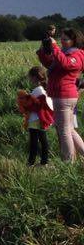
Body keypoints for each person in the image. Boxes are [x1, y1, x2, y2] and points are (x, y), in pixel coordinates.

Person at [37, 26, 84, 162]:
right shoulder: (64, 53)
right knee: (68, 129)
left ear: (74, 40)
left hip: (64, 96)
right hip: (62, 96)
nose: (62, 41)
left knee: (63, 131)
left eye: (66, 39)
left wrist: (54, 46)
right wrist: (44, 48)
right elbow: (49, 63)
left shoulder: (77, 55)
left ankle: (68, 163)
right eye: (61, 39)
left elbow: (66, 64)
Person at [17, 66, 54, 166]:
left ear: (34, 78)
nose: (29, 79)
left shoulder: (37, 91)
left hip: (34, 120)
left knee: (34, 142)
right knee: (43, 140)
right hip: (41, 119)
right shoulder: (43, 90)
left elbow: (30, 105)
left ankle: (31, 162)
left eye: (30, 77)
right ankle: (44, 161)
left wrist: (22, 101)